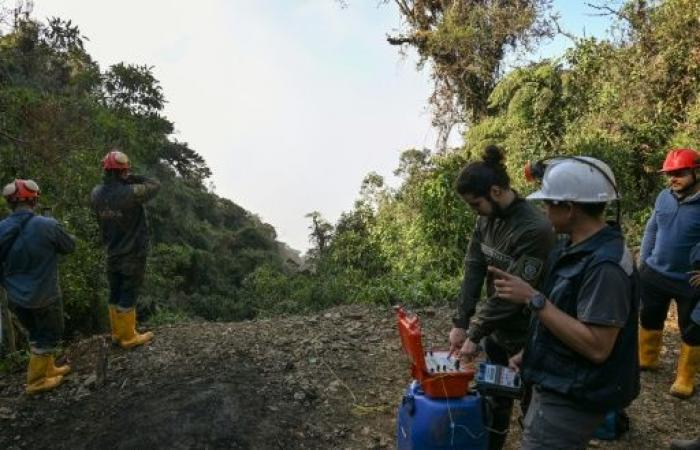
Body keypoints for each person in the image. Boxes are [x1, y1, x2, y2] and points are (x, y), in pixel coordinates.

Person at [490, 156, 639, 450]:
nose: (543, 210)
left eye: (549, 203)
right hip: (559, 378)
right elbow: (566, 310)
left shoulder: (604, 266)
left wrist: (532, 298)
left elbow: (597, 346)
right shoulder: (572, 246)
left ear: (569, 209)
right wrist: (530, 351)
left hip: (575, 392)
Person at [448, 145, 555, 450]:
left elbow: (513, 294)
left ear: (495, 191)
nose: (474, 210)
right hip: (497, 333)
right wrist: (462, 322)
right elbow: (473, 268)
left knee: (533, 408)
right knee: (495, 398)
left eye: (476, 203)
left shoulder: (534, 229)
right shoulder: (485, 220)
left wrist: (475, 332)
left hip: (529, 335)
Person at [0, 179, 75, 394]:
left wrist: (7, 283)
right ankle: (36, 381)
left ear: (10, 203)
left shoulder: (1, 228)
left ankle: (49, 368)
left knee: (35, 332)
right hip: (45, 294)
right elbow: (69, 246)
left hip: (16, 298)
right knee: (49, 334)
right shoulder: (46, 225)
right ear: (34, 200)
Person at [639, 148, 700, 398]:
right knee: (650, 316)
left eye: (679, 173)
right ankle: (647, 358)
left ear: (697, 172)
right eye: (670, 174)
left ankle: (685, 378)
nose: (672, 179)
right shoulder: (664, 196)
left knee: (693, 328)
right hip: (655, 272)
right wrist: (644, 262)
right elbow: (652, 229)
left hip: (690, 280)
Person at [91, 150, 160, 349]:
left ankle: (116, 335)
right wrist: (133, 177)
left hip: (111, 250)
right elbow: (155, 185)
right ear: (124, 171)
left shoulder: (96, 193)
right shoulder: (131, 193)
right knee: (128, 292)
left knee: (114, 292)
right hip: (132, 252)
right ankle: (128, 337)